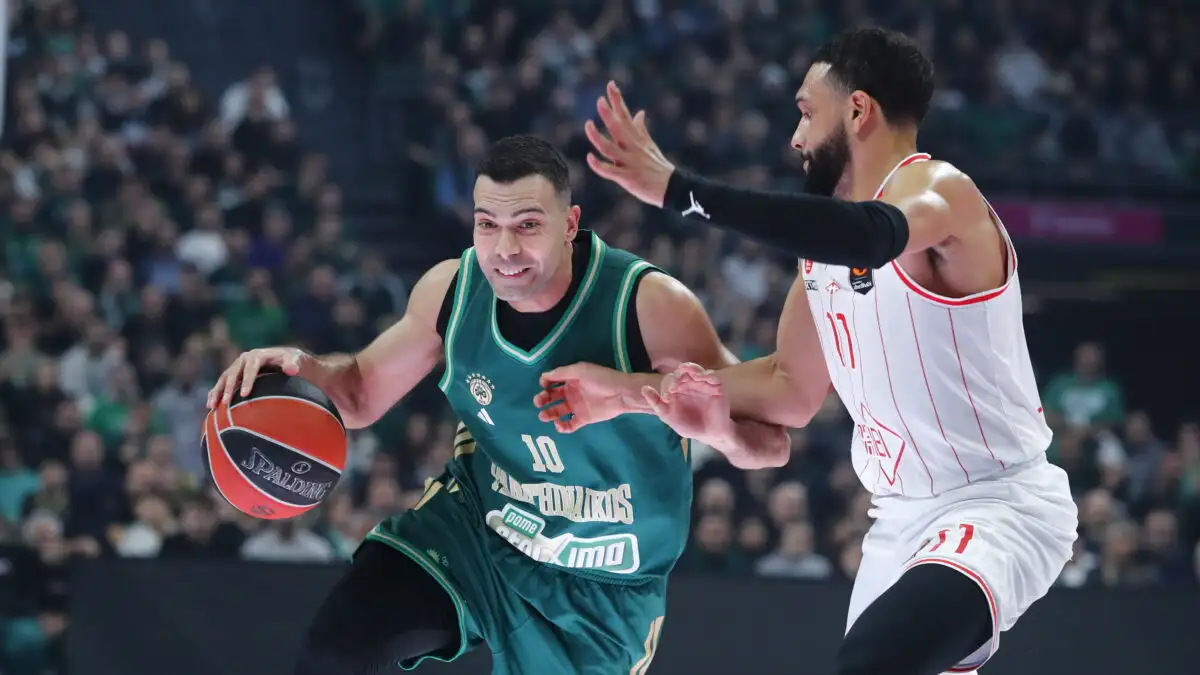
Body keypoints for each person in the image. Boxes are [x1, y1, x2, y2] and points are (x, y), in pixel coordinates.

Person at [537, 28, 1078, 675]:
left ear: (858, 111)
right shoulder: (822, 254)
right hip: (898, 518)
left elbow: (873, 235)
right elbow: (787, 389)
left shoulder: (940, 192)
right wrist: (619, 392)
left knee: (871, 663)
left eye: (805, 112)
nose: (795, 138)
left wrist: (680, 190)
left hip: (996, 503)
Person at [207, 135, 788, 675]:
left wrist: (721, 432)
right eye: (488, 225)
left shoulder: (650, 306)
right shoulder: (452, 291)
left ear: (570, 224)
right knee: (338, 648)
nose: (505, 249)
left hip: (604, 586)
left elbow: (773, 442)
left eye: (527, 225)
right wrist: (305, 368)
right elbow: (358, 394)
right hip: (478, 532)